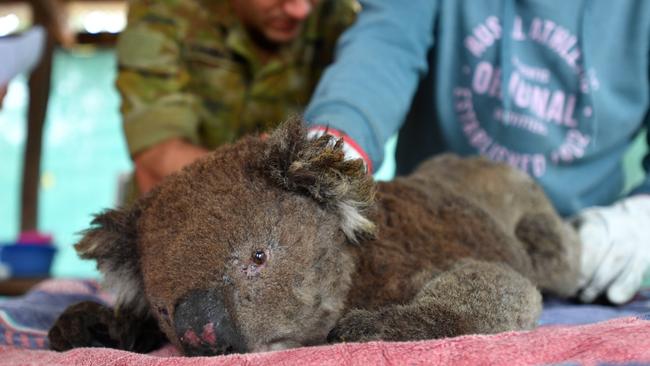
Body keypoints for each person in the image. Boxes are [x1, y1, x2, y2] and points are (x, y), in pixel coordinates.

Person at [304, 0, 650, 305]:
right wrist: (333, 148)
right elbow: (383, 47)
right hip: (432, 246)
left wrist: (640, 217)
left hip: (584, 262)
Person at [116, 0, 358, 195]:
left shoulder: (336, 16)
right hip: (175, 213)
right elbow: (156, 159)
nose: (301, 10)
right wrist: (258, 168)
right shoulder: (163, 12)